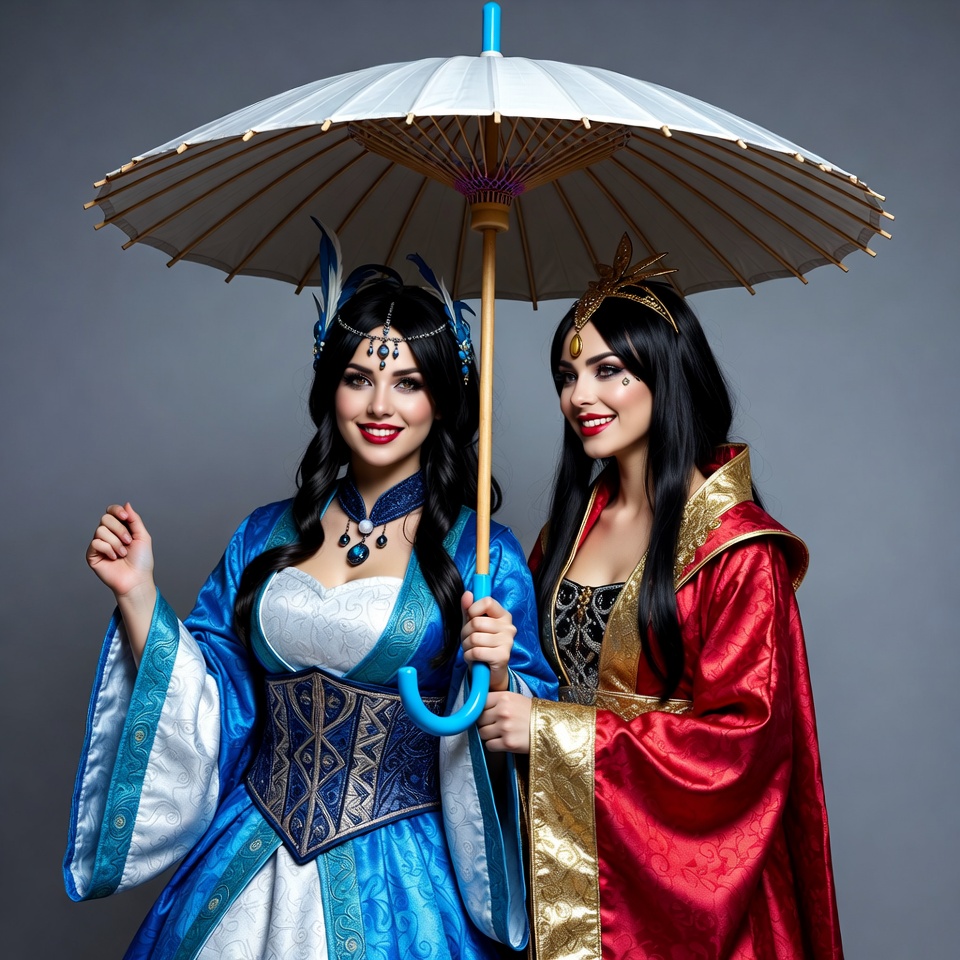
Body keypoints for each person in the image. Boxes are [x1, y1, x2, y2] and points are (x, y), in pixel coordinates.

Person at [63, 228, 558, 960]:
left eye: (409, 382)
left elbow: (534, 726)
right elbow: (215, 699)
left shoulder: (480, 553)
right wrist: (139, 596)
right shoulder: (265, 535)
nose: (380, 403)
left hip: (402, 880)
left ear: (443, 401)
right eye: (359, 377)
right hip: (249, 849)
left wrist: (501, 672)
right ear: (331, 387)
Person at [477, 235, 844, 959]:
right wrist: (499, 669)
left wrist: (551, 734)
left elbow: (743, 746)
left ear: (665, 375)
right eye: (567, 373)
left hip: (689, 891)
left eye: (608, 370)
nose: (579, 396)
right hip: (569, 865)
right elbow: (546, 690)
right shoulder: (566, 530)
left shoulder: (739, 552)